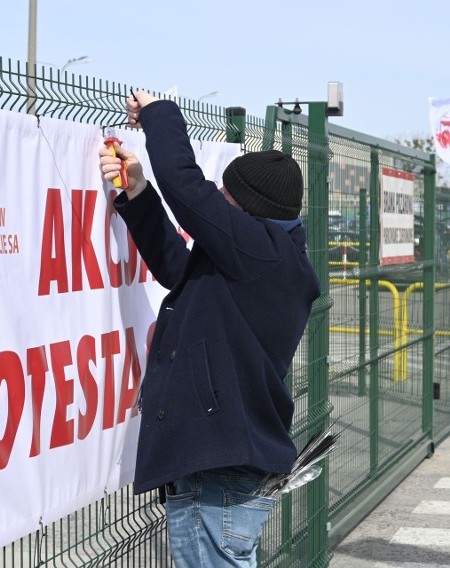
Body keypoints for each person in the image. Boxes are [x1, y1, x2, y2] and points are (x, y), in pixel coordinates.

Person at [98, 90, 320, 567]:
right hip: (222, 466)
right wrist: (137, 192)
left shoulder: (262, 253)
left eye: (226, 195)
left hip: (216, 473)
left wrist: (158, 114)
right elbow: (181, 272)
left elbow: (186, 187)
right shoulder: (263, 258)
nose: (217, 199)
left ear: (248, 210)